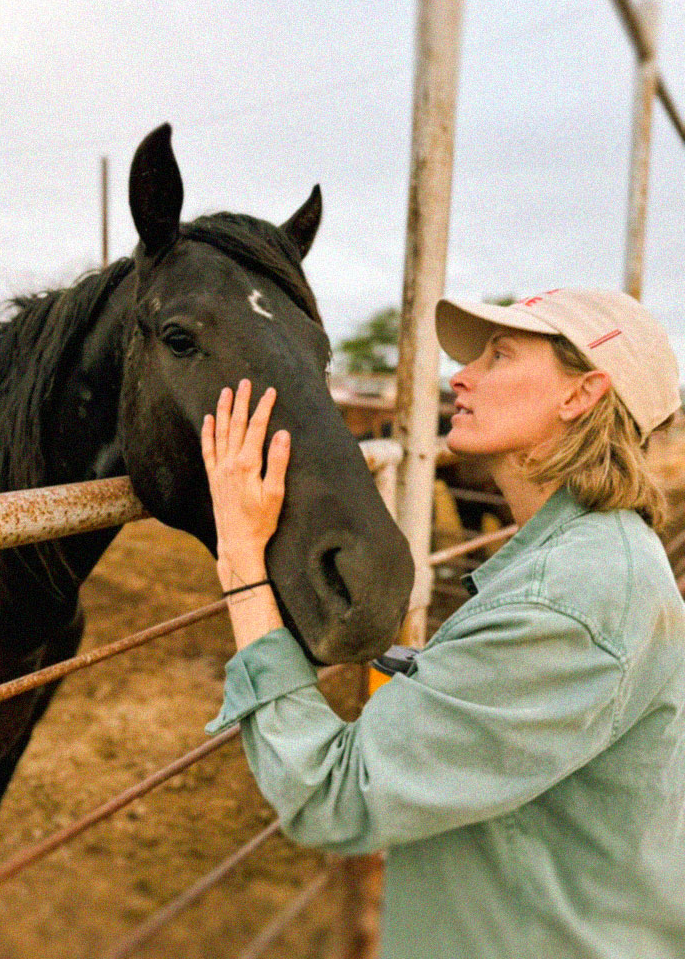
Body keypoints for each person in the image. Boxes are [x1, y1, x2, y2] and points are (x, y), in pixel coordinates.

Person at [200, 287, 685, 959]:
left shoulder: (563, 601)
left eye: (500, 355)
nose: (461, 375)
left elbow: (334, 795)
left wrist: (243, 562)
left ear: (581, 395)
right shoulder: (593, 557)